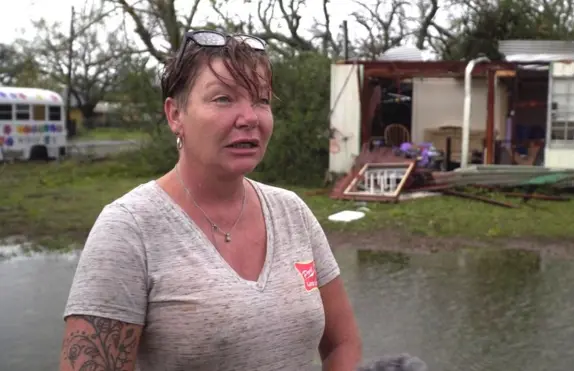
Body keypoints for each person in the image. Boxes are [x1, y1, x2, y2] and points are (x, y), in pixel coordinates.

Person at [58, 30, 362, 371]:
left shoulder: (292, 212)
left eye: (261, 100)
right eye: (223, 99)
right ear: (175, 115)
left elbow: (342, 343)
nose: (249, 117)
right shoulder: (128, 228)